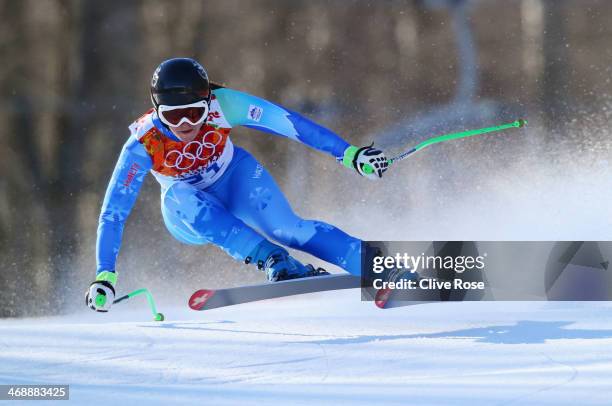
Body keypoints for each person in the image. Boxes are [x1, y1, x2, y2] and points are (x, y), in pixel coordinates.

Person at [86, 57, 389, 312]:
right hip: (187, 213)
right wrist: (105, 275)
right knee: (180, 195)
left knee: (288, 229)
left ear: (208, 102)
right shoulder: (143, 143)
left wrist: (350, 154)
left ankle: (375, 264)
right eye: (173, 116)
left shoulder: (225, 104)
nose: (185, 124)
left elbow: (290, 123)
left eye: (194, 113)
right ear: (156, 111)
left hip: (235, 180)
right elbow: (113, 213)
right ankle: (274, 259)